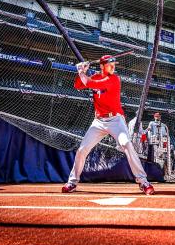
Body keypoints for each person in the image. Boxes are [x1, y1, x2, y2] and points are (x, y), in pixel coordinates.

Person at [62, 55, 154, 195]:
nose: (113, 66)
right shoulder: (95, 76)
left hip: (115, 120)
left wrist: (81, 71)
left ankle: (143, 182)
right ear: (102, 66)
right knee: (82, 150)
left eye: (113, 64)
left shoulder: (114, 79)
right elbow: (78, 85)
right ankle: (72, 182)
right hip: (98, 122)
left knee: (126, 144)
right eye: (110, 64)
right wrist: (83, 71)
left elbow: (90, 84)